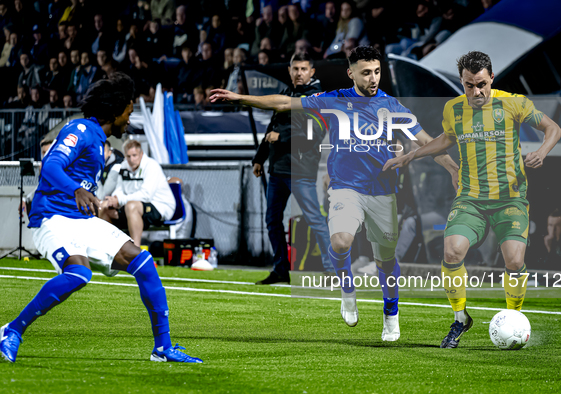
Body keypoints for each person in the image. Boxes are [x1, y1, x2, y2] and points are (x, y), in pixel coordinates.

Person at [210, 46, 459, 341]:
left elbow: (426, 141)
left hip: (383, 193)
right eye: (366, 72)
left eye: (377, 72)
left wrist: (453, 168)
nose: (373, 78)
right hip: (345, 188)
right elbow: (284, 103)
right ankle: (347, 289)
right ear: (350, 73)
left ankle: (390, 313)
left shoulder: (392, 106)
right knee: (341, 242)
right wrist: (241, 97)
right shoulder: (334, 100)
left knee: (385, 261)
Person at [0, 73, 201, 363]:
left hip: (81, 221)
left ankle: (163, 348)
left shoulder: (100, 141)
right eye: (128, 113)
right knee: (79, 275)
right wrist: (77, 189)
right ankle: (12, 330)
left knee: (144, 264)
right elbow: (51, 165)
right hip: (53, 218)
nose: (129, 121)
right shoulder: (80, 129)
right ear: (115, 111)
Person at [382, 51, 561, 348]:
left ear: (492, 78)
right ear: (462, 82)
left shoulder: (514, 103)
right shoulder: (454, 109)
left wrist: (541, 152)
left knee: (515, 261)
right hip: (471, 199)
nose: (476, 91)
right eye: (469, 85)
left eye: (481, 84)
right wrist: (411, 156)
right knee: (452, 253)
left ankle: (513, 318)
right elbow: (445, 139)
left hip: (510, 199)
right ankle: (459, 318)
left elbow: (552, 128)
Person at [252, 52, 332, 285]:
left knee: (315, 220)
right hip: (277, 169)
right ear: (289, 70)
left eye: (303, 69)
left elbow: (313, 134)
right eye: (295, 69)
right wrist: (259, 158)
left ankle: (332, 272)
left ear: (312, 72)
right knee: (272, 221)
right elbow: (271, 127)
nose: (298, 73)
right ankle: (280, 270)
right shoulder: (286, 93)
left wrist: (281, 136)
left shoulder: (317, 97)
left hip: (300, 170)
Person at [99, 139, 176, 247]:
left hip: (159, 206)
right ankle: (108, 250)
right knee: (103, 207)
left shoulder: (152, 166)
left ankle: (135, 251)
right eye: (128, 156)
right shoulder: (124, 166)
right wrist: (114, 200)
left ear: (141, 154)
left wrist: (119, 200)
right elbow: (119, 189)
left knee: (132, 206)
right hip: (132, 205)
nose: (131, 159)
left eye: (134, 155)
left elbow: (146, 195)